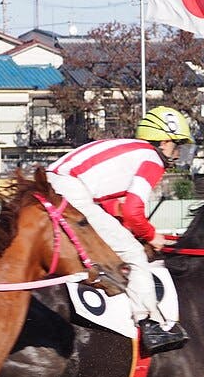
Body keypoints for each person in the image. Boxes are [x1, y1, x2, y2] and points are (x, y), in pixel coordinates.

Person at [45, 106, 193, 356]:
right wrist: (151, 235)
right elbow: (134, 210)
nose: (177, 154)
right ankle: (151, 326)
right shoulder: (152, 158)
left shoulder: (131, 150)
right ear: (164, 142)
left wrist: (135, 228)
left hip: (56, 182)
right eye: (177, 145)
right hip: (71, 190)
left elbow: (115, 208)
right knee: (135, 255)